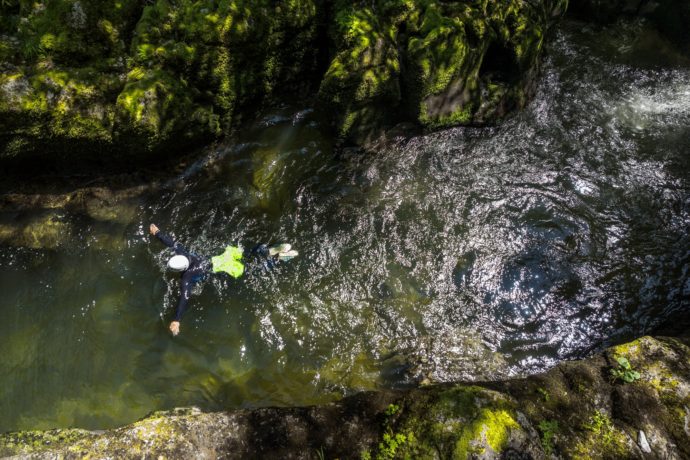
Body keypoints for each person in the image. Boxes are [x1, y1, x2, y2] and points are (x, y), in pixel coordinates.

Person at [149, 223, 296, 336]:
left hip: (226, 269)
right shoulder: (185, 254)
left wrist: (177, 319)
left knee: (255, 269)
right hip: (225, 256)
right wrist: (157, 232)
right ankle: (271, 250)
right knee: (249, 253)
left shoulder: (187, 277)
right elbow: (172, 243)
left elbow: (185, 297)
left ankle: (280, 259)